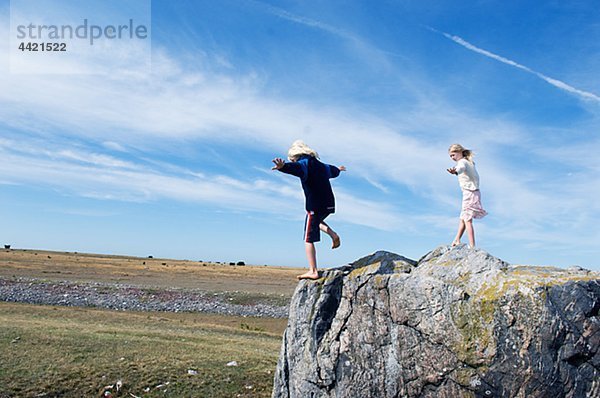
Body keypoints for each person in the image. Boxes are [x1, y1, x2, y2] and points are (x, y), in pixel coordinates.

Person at [272, 140, 346, 280]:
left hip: (315, 205)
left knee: (308, 238)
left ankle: (313, 271)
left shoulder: (303, 164)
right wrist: (339, 169)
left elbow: (296, 168)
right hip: (329, 204)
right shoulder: (322, 166)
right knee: (316, 222)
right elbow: (333, 171)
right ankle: (333, 234)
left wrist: (283, 167)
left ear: (295, 156)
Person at [446, 143, 487, 248]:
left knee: (467, 220)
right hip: (472, 192)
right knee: (463, 218)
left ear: (460, 152)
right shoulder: (469, 162)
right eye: (450, 156)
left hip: (470, 192)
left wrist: (455, 171)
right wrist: (456, 172)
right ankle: (457, 239)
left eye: (453, 155)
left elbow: (461, 168)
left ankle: (472, 246)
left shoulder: (462, 162)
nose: (452, 158)